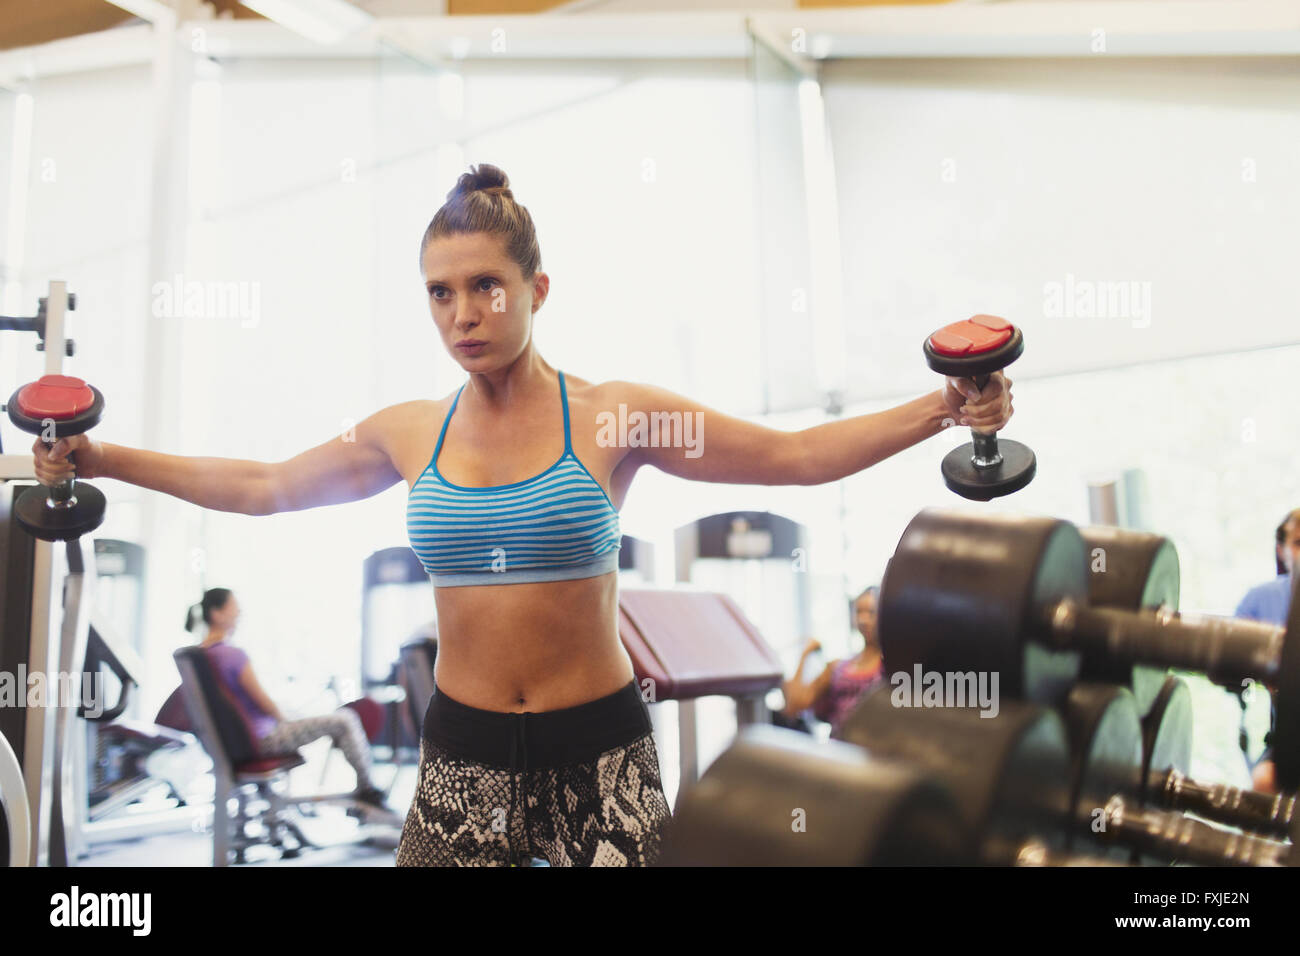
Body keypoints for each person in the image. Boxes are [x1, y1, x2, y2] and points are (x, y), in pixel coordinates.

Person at [31, 163, 1015, 867]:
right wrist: (101, 456)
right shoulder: (407, 431)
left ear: (536, 289)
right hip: (460, 752)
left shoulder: (613, 414)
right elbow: (261, 485)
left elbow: (796, 457)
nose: (463, 313)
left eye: (485, 286)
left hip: (602, 751)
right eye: (440, 293)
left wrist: (942, 405)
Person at [185, 587, 396, 818]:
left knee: (333, 720)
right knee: (346, 719)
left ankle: (362, 790)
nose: (239, 615)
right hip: (264, 739)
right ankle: (368, 790)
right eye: (235, 609)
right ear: (217, 614)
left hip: (240, 741)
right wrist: (288, 720)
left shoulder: (201, 656)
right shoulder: (232, 655)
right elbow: (265, 703)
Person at [1235, 508, 1300, 793]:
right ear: (1282, 549)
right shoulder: (1259, 600)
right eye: (1298, 543)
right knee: (1263, 783)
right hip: (1289, 740)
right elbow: (1228, 667)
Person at [781, 586, 886, 740]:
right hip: (839, 749)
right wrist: (805, 655)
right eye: (858, 612)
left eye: (871, 613)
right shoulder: (838, 667)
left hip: (874, 750)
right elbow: (794, 705)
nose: (863, 619)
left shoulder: (891, 666)